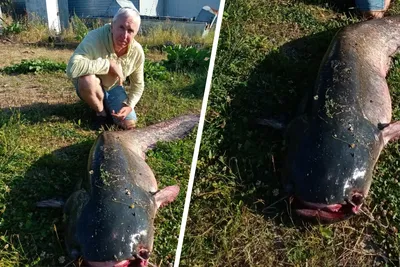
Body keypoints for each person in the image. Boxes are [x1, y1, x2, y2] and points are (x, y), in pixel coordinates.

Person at [66, 7, 144, 130]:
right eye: (121, 28)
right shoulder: (95, 37)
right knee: (88, 80)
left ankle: (109, 107)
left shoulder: (137, 52)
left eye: (130, 31)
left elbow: (138, 85)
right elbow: (72, 68)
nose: (124, 36)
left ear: (136, 33)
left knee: (129, 123)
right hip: (91, 84)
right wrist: (108, 65)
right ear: (112, 26)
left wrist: (129, 105)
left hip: (113, 87)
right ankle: (101, 113)